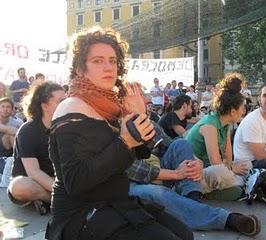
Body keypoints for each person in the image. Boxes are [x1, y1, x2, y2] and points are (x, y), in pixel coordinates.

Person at [46, 27, 193, 240]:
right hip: (80, 214)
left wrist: (137, 116)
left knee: (185, 235)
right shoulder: (71, 107)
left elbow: (141, 152)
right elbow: (75, 181)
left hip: (116, 202)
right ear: (80, 68)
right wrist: (125, 141)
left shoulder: (111, 106)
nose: (108, 67)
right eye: (97, 61)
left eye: (112, 61)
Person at [127, 139, 261, 236]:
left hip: (161, 171)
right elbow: (133, 170)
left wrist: (197, 162)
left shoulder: (141, 119)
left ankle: (192, 201)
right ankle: (227, 219)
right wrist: (176, 174)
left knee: (181, 144)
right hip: (126, 184)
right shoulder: (110, 126)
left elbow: (168, 143)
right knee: (156, 193)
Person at [186, 73, 250, 194]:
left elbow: (228, 158)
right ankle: (243, 184)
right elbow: (216, 164)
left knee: (247, 165)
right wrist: (231, 168)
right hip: (196, 173)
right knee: (222, 172)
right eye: (242, 108)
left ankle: (240, 184)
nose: (243, 112)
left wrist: (231, 166)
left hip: (211, 170)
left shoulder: (226, 125)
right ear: (232, 111)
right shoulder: (210, 125)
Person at [8, 82, 66, 215]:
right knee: (19, 186)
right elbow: (34, 172)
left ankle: (47, 200)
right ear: (45, 106)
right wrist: (62, 191)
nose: (66, 104)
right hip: (33, 181)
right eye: (61, 101)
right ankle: (58, 202)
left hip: (56, 179)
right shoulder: (28, 130)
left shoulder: (66, 127)